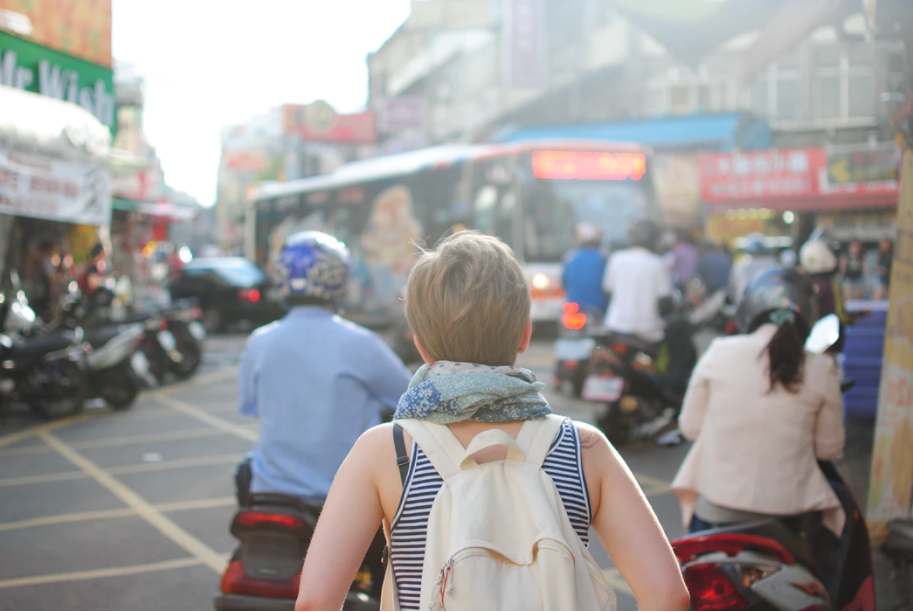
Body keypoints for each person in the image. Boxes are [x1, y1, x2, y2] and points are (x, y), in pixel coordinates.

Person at [295, 232, 689, 611]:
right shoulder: (583, 448)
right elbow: (669, 597)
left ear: (420, 343)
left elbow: (315, 602)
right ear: (525, 335)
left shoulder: (386, 451)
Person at [236, 231, 412, 504]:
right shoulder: (360, 343)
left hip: (269, 493)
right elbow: (409, 398)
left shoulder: (259, 341)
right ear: (339, 281)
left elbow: (250, 405)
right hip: (343, 499)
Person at [672, 266, 845, 536]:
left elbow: (691, 428)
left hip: (715, 512)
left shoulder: (720, 351)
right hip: (789, 517)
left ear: (749, 309)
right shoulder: (821, 367)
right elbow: (828, 449)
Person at [602, 219, 673, 345]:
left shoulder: (616, 259)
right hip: (648, 332)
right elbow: (664, 303)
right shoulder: (657, 263)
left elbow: (608, 293)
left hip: (616, 328)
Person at [561, 223, 608, 314]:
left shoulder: (570, 256)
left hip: (573, 305)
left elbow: (564, 281)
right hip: (598, 306)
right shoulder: (604, 256)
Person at [728, 233, 778, 304]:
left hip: (753, 304)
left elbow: (732, 289)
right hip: (758, 304)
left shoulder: (740, 264)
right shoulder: (771, 262)